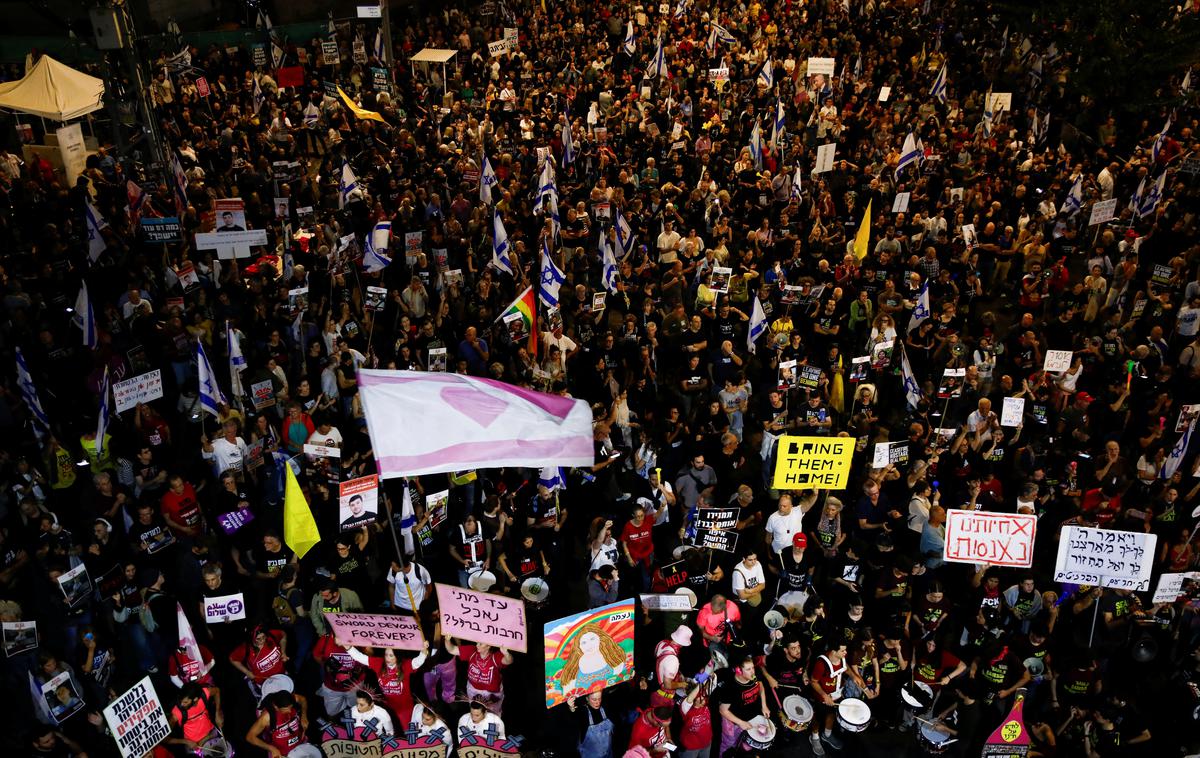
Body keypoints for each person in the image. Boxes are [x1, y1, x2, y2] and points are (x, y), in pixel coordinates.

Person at [245, 690, 320, 758]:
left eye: (291, 707)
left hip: (300, 741)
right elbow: (250, 737)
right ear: (276, 707)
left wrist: (304, 716)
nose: (290, 711)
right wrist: (271, 748)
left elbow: (303, 699)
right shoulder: (266, 717)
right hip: (281, 752)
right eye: (285, 709)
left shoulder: (292, 699)